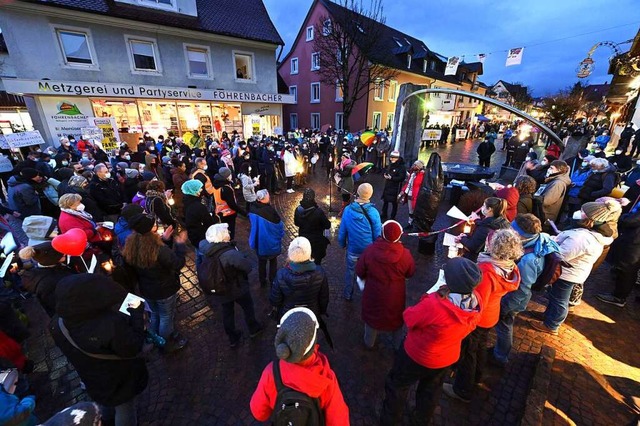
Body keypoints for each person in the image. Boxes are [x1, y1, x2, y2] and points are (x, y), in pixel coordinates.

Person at [380, 257, 482, 425]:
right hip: (445, 358)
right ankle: (421, 420)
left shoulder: (435, 305)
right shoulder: (475, 305)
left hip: (417, 355)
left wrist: (429, 297)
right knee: (430, 391)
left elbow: (409, 318)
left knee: (397, 385)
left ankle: (389, 420)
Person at [49, 274, 148, 426]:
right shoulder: (109, 324)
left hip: (91, 376)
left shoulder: (56, 323)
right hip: (118, 378)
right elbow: (132, 347)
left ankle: (106, 420)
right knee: (125, 409)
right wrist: (136, 314)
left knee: (105, 403)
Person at [445, 229, 522, 402]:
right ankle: (477, 376)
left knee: (468, 353)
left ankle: (462, 389)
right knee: (479, 348)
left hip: (479, 318)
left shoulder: (487, 271)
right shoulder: (509, 266)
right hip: (491, 315)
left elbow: (477, 300)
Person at [250, 307, 349, 424]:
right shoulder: (327, 378)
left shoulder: (271, 372)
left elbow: (259, 413)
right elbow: (339, 421)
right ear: (312, 344)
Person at [531, 200, 616, 335]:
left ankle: (552, 325)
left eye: (583, 212)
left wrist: (549, 242)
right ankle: (549, 316)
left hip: (568, 273)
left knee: (560, 299)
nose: (579, 213)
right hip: (573, 271)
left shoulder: (582, 238)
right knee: (556, 296)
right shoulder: (592, 234)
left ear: (590, 219)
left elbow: (562, 254)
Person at [493, 215, 560, 365]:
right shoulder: (538, 239)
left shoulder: (528, 260)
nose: (509, 230)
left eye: (512, 229)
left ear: (520, 234)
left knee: (504, 324)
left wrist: (506, 307)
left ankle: (500, 356)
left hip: (513, 300)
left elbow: (522, 288)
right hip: (514, 297)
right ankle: (500, 353)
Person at [123, 213, 189, 352]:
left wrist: (164, 239)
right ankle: (166, 344)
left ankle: (155, 338)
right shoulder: (159, 249)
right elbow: (176, 264)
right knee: (166, 317)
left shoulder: (131, 245)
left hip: (146, 289)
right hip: (164, 290)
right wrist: (180, 246)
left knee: (155, 314)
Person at [199, 223, 263, 347]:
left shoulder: (206, 249)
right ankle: (253, 328)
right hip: (236, 287)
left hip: (220, 289)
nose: (228, 233)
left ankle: (233, 338)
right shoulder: (229, 254)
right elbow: (247, 266)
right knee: (248, 306)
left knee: (227, 312)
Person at [356, 220, 415, 349]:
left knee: (372, 319)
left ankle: (369, 343)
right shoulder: (405, 255)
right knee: (395, 320)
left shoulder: (370, 251)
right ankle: (397, 345)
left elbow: (359, 270)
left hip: (373, 293)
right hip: (395, 295)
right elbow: (410, 273)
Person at [270, 237, 329, 325]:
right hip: (311, 314)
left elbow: (275, 300)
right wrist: (322, 311)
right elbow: (324, 298)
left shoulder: (281, 274)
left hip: (288, 314)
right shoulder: (320, 273)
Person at [338, 183, 382, 301]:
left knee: (350, 271)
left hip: (353, 249)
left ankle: (348, 294)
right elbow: (377, 234)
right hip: (368, 250)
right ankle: (367, 294)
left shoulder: (348, 210)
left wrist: (342, 244)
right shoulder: (374, 212)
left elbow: (342, 231)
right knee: (368, 273)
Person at [598, 202, 640, 307]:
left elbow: (630, 221)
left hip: (635, 243)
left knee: (627, 270)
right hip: (634, 241)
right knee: (628, 270)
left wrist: (623, 216)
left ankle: (619, 297)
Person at [19, 242, 74, 318]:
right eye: (61, 254)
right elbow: (59, 305)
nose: (65, 254)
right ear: (52, 260)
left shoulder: (46, 269)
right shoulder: (48, 284)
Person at [249, 189, 285, 287]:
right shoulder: (269, 211)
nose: (269, 197)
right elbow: (278, 225)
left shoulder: (253, 208)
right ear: (264, 198)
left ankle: (262, 281)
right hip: (270, 243)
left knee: (261, 262)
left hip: (259, 243)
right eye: (268, 195)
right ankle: (272, 279)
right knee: (273, 261)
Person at [457, 197, 511, 261]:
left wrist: (461, 239)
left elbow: (472, 247)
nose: (482, 207)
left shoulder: (486, 227)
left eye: (484, 206)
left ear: (489, 209)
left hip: (477, 260)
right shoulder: (502, 222)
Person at [294, 188, 331, 265]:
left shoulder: (298, 210)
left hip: (304, 240)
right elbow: (327, 225)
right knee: (316, 263)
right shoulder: (318, 212)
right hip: (316, 242)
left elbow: (296, 223)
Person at [212, 167, 242, 240]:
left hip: (219, 212)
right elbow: (232, 204)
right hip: (229, 214)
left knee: (223, 232)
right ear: (226, 176)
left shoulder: (216, 185)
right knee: (230, 232)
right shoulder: (226, 188)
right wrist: (243, 212)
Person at [380, 151, 406, 221]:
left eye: (392, 158)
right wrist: (385, 174)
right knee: (385, 201)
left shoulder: (402, 167)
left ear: (397, 158)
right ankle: (384, 214)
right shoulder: (391, 164)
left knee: (394, 203)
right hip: (388, 185)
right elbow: (387, 171)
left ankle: (393, 216)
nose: (391, 159)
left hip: (395, 187)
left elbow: (402, 177)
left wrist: (392, 178)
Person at [400, 160, 425, 228]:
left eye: (415, 165)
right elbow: (408, 183)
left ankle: (416, 224)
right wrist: (402, 191)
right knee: (410, 210)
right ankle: (410, 223)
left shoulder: (422, 175)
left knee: (415, 211)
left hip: (415, 196)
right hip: (409, 195)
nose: (413, 166)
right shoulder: (412, 174)